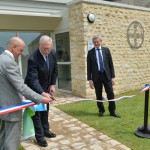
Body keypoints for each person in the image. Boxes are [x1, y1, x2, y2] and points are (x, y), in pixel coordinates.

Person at [0, 37, 53, 150]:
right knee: (11, 143)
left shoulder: (1, 59)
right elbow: (21, 86)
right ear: (13, 47)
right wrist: (40, 98)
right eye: (21, 50)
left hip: (3, 107)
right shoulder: (9, 62)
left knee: (3, 138)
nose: (22, 53)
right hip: (11, 108)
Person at [25, 35, 58, 147]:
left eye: (49, 48)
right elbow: (33, 80)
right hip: (34, 90)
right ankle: (39, 137)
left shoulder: (52, 53)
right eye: (45, 48)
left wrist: (52, 84)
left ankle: (46, 131)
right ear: (40, 46)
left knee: (45, 111)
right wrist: (42, 93)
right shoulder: (33, 58)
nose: (47, 51)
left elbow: (55, 69)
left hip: (46, 88)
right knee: (37, 114)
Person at [87, 35, 121, 118]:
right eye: (94, 42)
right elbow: (89, 67)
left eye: (97, 42)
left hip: (106, 76)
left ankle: (112, 111)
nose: (96, 43)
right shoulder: (90, 52)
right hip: (96, 77)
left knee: (110, 94)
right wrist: (90, 80)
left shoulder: (106, 50)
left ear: (100, 41)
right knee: (98, 95)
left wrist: (113, 77)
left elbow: (110, 64)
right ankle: (101, 110)